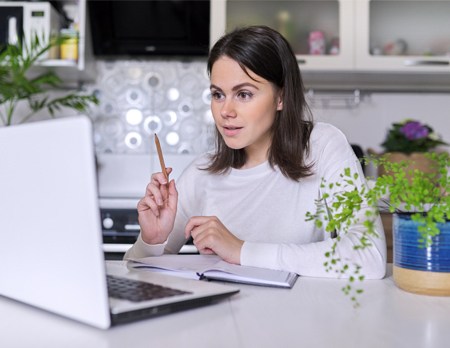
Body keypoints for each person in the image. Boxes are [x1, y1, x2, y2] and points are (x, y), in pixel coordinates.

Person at [125, 25, 386, 279]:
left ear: (281, 97)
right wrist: (152, 240)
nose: (225, 111)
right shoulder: (200, 173)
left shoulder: (323, 146)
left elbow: (369, 256)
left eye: (244, 94)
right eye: (218, 94)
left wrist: (242, 251)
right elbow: (135, 273)